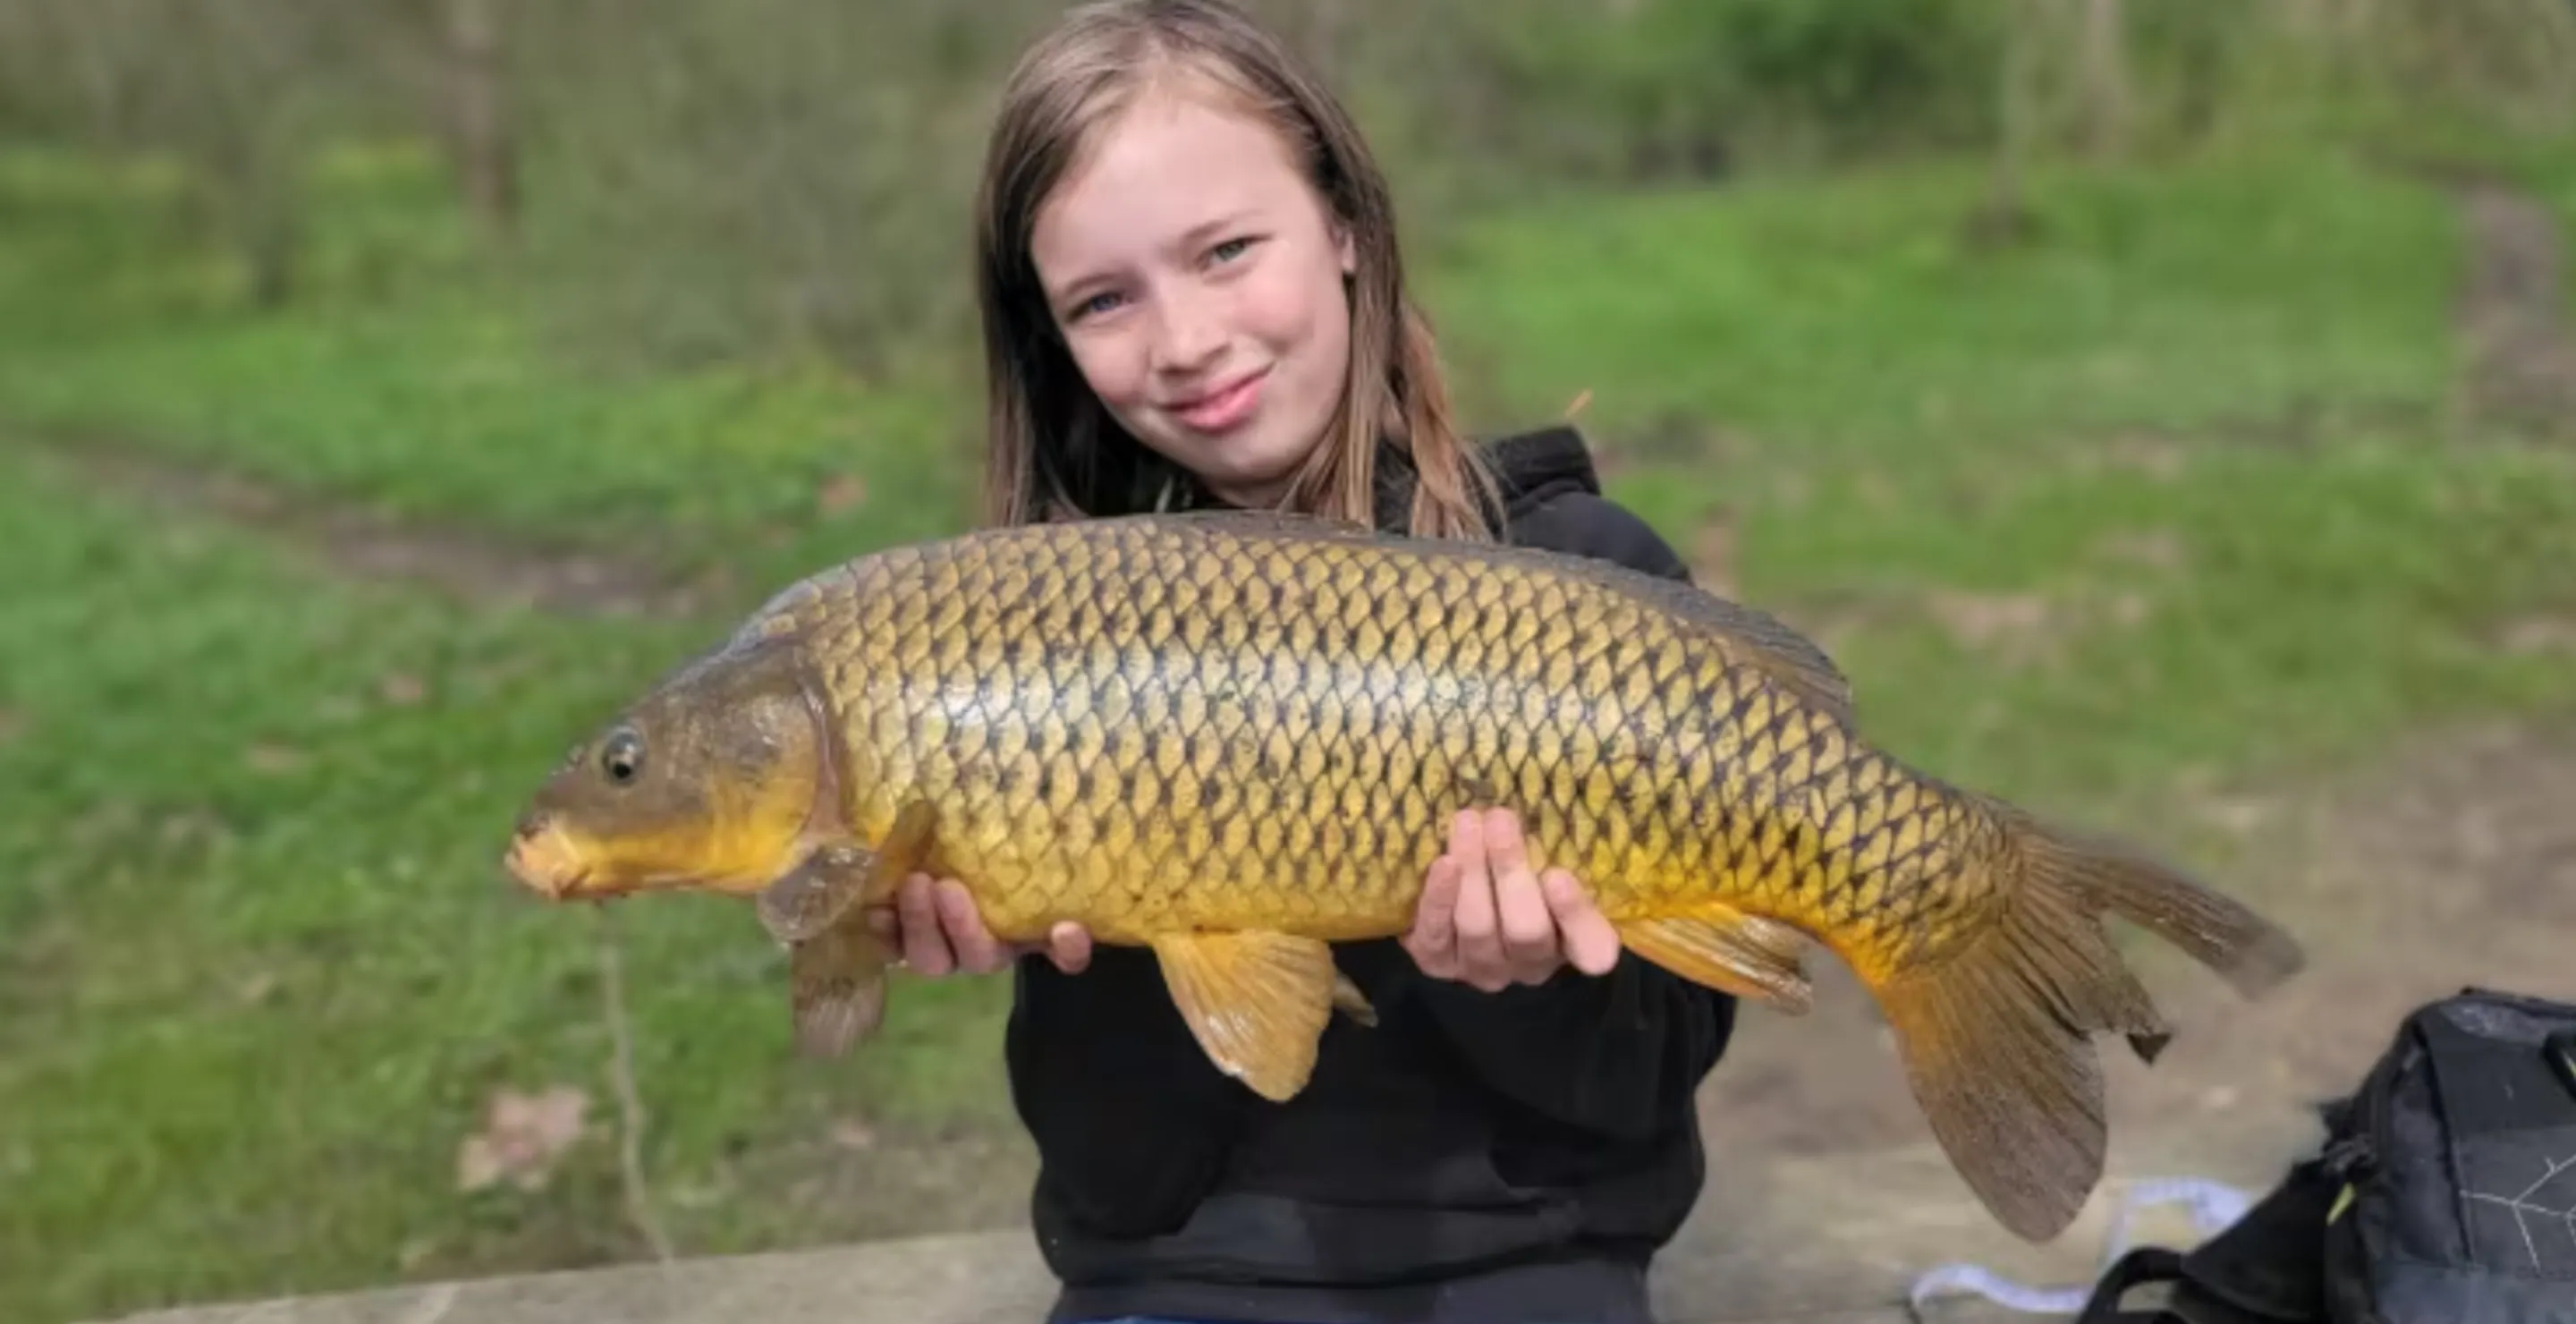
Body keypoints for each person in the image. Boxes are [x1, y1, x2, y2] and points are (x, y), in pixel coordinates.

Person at [861, 3, 1738, 1320]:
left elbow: (1649, 1076)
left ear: (1344, 225)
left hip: (1531, 1261)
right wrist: (1029, 932)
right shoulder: (1038, 644)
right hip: (1168, 1268)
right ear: (1051, 334)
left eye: (1225, 251)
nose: (1185, 341)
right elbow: (1107, 1168)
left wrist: (1532, 980)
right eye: (1104, 300)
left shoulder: (1586, 578)